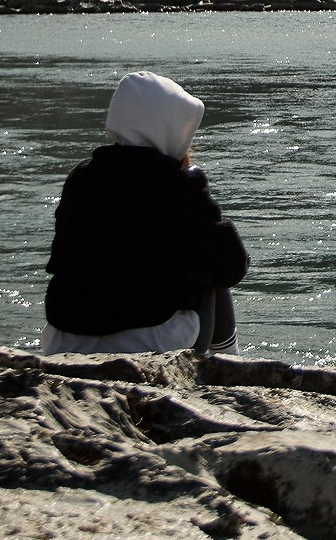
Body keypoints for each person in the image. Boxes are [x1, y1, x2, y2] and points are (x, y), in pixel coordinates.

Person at [40, 71, 248, 355]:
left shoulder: (81, 178)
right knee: (212, 272)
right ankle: (229, 366)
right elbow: (233, 267)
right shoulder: (179, 184)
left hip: (64, 340)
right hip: (149, 344)